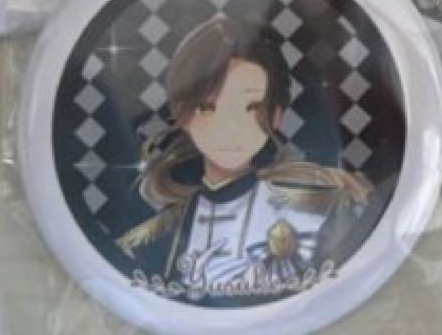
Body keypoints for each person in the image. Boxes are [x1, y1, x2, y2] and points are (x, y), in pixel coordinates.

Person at [117, 17, 371, 300]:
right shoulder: (154, 239)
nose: (231, 127)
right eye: (208, 107)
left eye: (251, 107)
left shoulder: (318, 212)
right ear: (181, 113)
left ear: (276, 116)